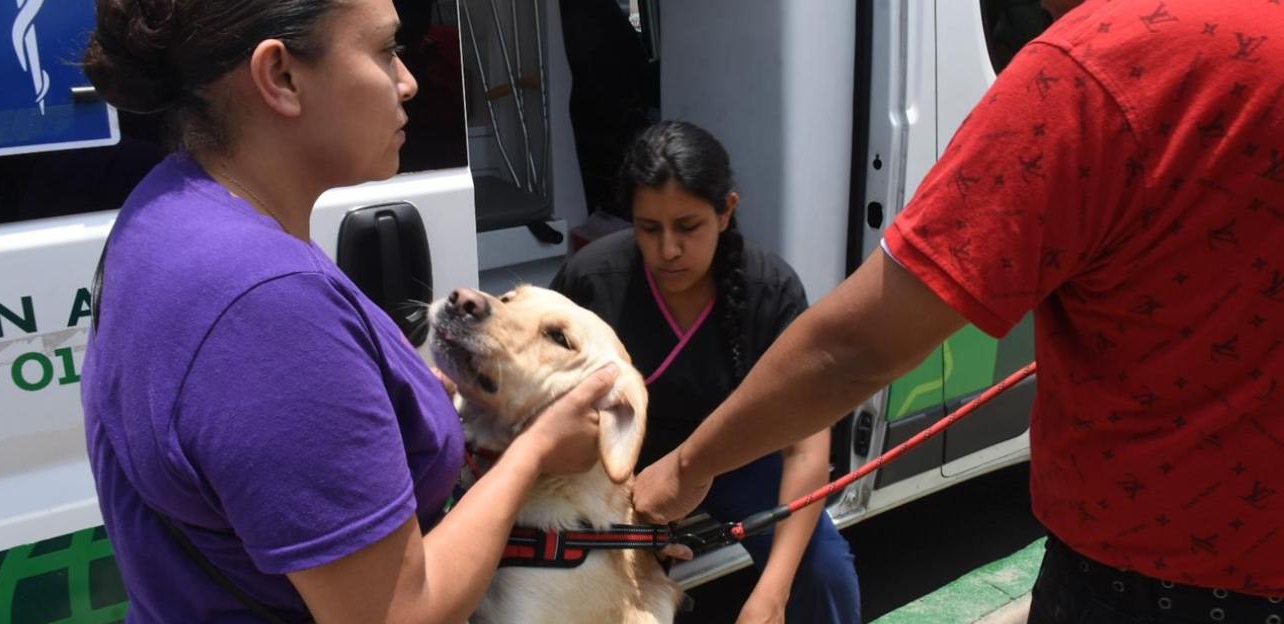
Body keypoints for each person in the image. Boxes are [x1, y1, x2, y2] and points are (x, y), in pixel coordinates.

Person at [632, 0, 1284, 622]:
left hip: (1154, 585)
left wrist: (690, 467)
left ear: (728, 212)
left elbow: (857, 348)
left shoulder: (1092, 67)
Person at [79, 0, 613, 621]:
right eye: (386, 51)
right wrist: (537, 451)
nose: (409, 81)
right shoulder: (266, 305)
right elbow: (399, 612)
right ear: (280, 77)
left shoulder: (168, 210)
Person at [552, 121, 862, 623]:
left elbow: (807, 448)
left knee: (824, 570)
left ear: (726, 212)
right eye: (649, 228)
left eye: (688, 227)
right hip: (623, 466)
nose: (668, 249)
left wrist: (773, 594)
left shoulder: (771, 290)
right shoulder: (592, 280)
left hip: (737, 458)